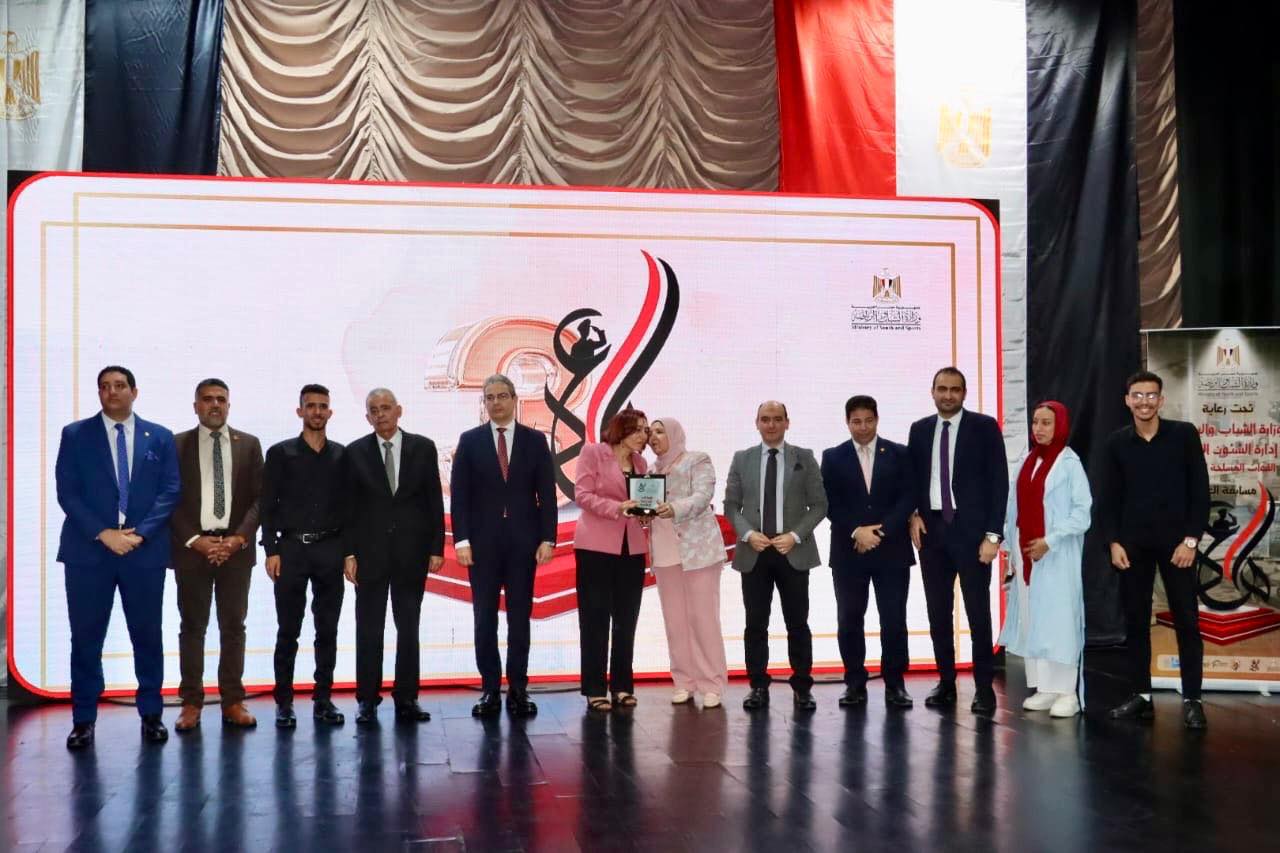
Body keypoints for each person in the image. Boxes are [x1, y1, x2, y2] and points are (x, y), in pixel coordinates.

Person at [56, 365, 180, 749]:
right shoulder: (75, 435)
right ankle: (83, 719)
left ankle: (151, 713)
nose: (113, 392)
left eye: (120, 385)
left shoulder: (159, 436)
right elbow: (67, 492)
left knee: (147, 635)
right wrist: (104, 533)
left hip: (144, 553)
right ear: (99, 393)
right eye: (105, 386)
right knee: (86, 638)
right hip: (89, 552)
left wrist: (140, 534)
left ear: (134, 392)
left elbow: (170, 490)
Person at [1099, 370, 1210, 729]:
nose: (1144, 402)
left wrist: (1191, 540)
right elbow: (1108, 498)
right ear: (1127, 400)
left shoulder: (1184, 435)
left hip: (1179, 547)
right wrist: (1113, 542)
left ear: (1161, 400)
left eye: (1150, 395)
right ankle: (1141, 696)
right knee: (1135, 623)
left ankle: (1192, 700)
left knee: (1187, 622)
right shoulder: (1116, 443)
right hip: (1132, 547)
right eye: (1137, 395)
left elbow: (1200, 491)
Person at [451, 374, 557, 718]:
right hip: (481, 547)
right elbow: (459, 496)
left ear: (514, 399)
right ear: (484, 402)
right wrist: (461, 540)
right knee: (484, 619)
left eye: (501, 396)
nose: (495, 402)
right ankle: (489, 689)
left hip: (524, 546)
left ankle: (518, 689)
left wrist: (548, 538)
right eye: (489, 397)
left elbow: (547, 494)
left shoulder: (535, 440)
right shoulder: (469, 441)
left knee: (519, 620)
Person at [907, 367, 1008, 714]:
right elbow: (912, 480)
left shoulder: (984, 427)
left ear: (964, 393)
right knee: (938, 613)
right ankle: (946, 682)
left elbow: (999, 483)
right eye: (942, 389)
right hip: (932, 533)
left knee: (978, 614)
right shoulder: (919, 430)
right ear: (932, 392)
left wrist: (993, 535)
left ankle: (984, 688)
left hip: (973, 533)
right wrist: (913, 514)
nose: (948, 395)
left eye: (954, 389)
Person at [343, 388, 445, 725]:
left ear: (399, 411)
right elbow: (348, 509)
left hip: (411, 554)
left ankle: (407, 698)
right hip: (369, 556)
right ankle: (367, 700)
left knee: (409, 628)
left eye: (386, 407)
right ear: (367, 417)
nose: (381, 414)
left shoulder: (423, 447)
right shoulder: (355, 452)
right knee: (368, 629)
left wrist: (436, 548)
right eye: (374, 409)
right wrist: (349, 552)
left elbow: (433, 500)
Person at [170, 378, 265, 732]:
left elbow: (260, 499)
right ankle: (191, 702)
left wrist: (238, 539)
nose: (214, 405)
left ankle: (233, 700)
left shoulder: (249, 444)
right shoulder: (176, 445)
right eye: (207, 399)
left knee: (233, 627)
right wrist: (195, 540)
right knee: (192, 627)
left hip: (235, 552)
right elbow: (169, 497)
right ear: (195, 406)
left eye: (221, 399)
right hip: (192, 550)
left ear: (228, 405)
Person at [724, 401, 828, 712]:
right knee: (755, 624)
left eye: (777, 419)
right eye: (765, 419)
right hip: (754, 551)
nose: (771, 425)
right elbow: (731, 505)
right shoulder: (742, 458)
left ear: (787, 422)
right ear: (756, 422)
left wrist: (795, 535)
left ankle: (802, 687)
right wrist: (748, 534)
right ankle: (757, 686)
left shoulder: (804, 457)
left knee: (798, 623)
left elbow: (820, 504)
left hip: (792, 550)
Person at [260, 384, 348, 728]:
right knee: (288, 629)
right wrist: (271, 550)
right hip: (291, 550)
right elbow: (267, 505)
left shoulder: (342, 456)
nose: (317, 411)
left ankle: (323, 699)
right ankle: (284, 702)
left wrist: (348, 552)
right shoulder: (280, 453)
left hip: (330, 549)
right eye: (310, 405)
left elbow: (350, 509)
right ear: (300, 411)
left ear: (331, 412)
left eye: (322, 406)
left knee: (327, 629)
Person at [821, 395, 915, 710]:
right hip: (849, 551)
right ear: (847, 422)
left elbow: (908, 497)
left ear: (877, 419)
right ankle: (854, 683)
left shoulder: (899, 453)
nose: (863, 427)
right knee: (849, 618)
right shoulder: (833, 457)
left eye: (868, 421)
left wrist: (880, 532)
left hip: (892, 550)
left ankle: (895, 684)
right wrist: (856, 531)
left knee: (894, 619)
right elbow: (828, 502)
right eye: (856, 421)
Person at [998, 401, 1092, 718]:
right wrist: (1012, 550)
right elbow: (1015, 509)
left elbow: (1082, 514)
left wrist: (1050, 541)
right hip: (1027, 556)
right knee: (1033, 621)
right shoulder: (1029, 460)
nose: (1038, 428)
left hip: (1056, 555)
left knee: (1059, 622)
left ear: (1060, 425)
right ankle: (1045, 687)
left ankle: (1067, 692)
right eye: (1036, 422)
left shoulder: (1069, 463)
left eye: (1046, 423)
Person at [646, 418, 729, 709]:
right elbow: (647, 507)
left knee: (703, 620)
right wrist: (642, 513)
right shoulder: (650, 471)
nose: (653, 437)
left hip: (698, 552)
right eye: (650, 433)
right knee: (675, 622)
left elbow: (702, 496)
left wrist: (675, 508)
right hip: (665, 553)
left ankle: (712, 683)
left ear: (674, 434)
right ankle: (684, 681)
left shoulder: (697, 459)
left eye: (660, 431)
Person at [573, 408, 652, 712]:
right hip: (595, 546)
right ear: (621, 429)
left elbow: (643, 503)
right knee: (594, 619)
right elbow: (582, 495)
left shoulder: (641, 463)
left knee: (626, 620)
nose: (644, 435)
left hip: (632, 548)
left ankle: (622, 686)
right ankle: (595, 688)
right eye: (638, 429)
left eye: (645, 430)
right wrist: (618, 508)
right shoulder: (593, 453)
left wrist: (647, 512)